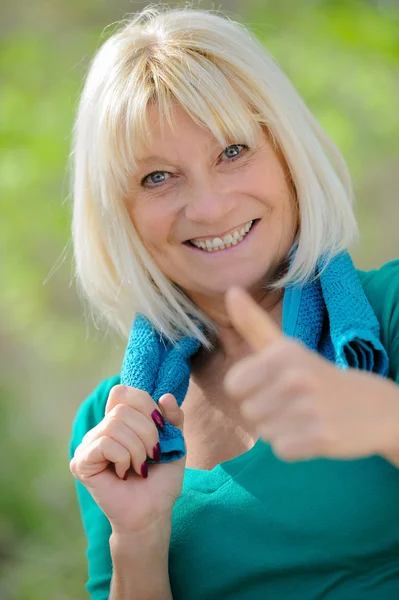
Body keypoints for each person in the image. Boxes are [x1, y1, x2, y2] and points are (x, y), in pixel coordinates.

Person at [68, 5, 399, 600]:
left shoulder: (390, 313)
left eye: (233, 151)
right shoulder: (112, 427)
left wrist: (383, 418)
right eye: (157, 178)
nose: (212, 207)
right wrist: (138, 539)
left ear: (288, 156)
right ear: (120, 215)